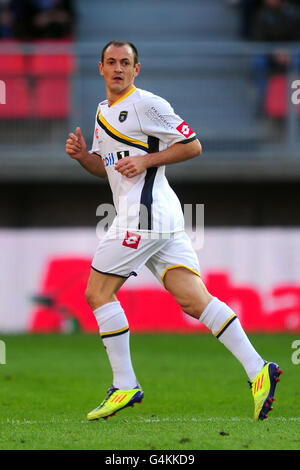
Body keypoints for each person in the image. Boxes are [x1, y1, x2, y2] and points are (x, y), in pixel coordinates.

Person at [65, 40, 282, 422]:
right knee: (194, 301)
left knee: (97, 293)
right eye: (111, 62)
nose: (118, 68)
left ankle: (125, 384)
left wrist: (148, 159)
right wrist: (85, 158)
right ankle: (258, 368)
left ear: (137, 69)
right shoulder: (102, 112)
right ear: (100, 67)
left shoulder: (148, 104)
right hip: (161, 217)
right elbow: (108, 168)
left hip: (143, 215)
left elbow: (193, 145)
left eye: (125, 63)